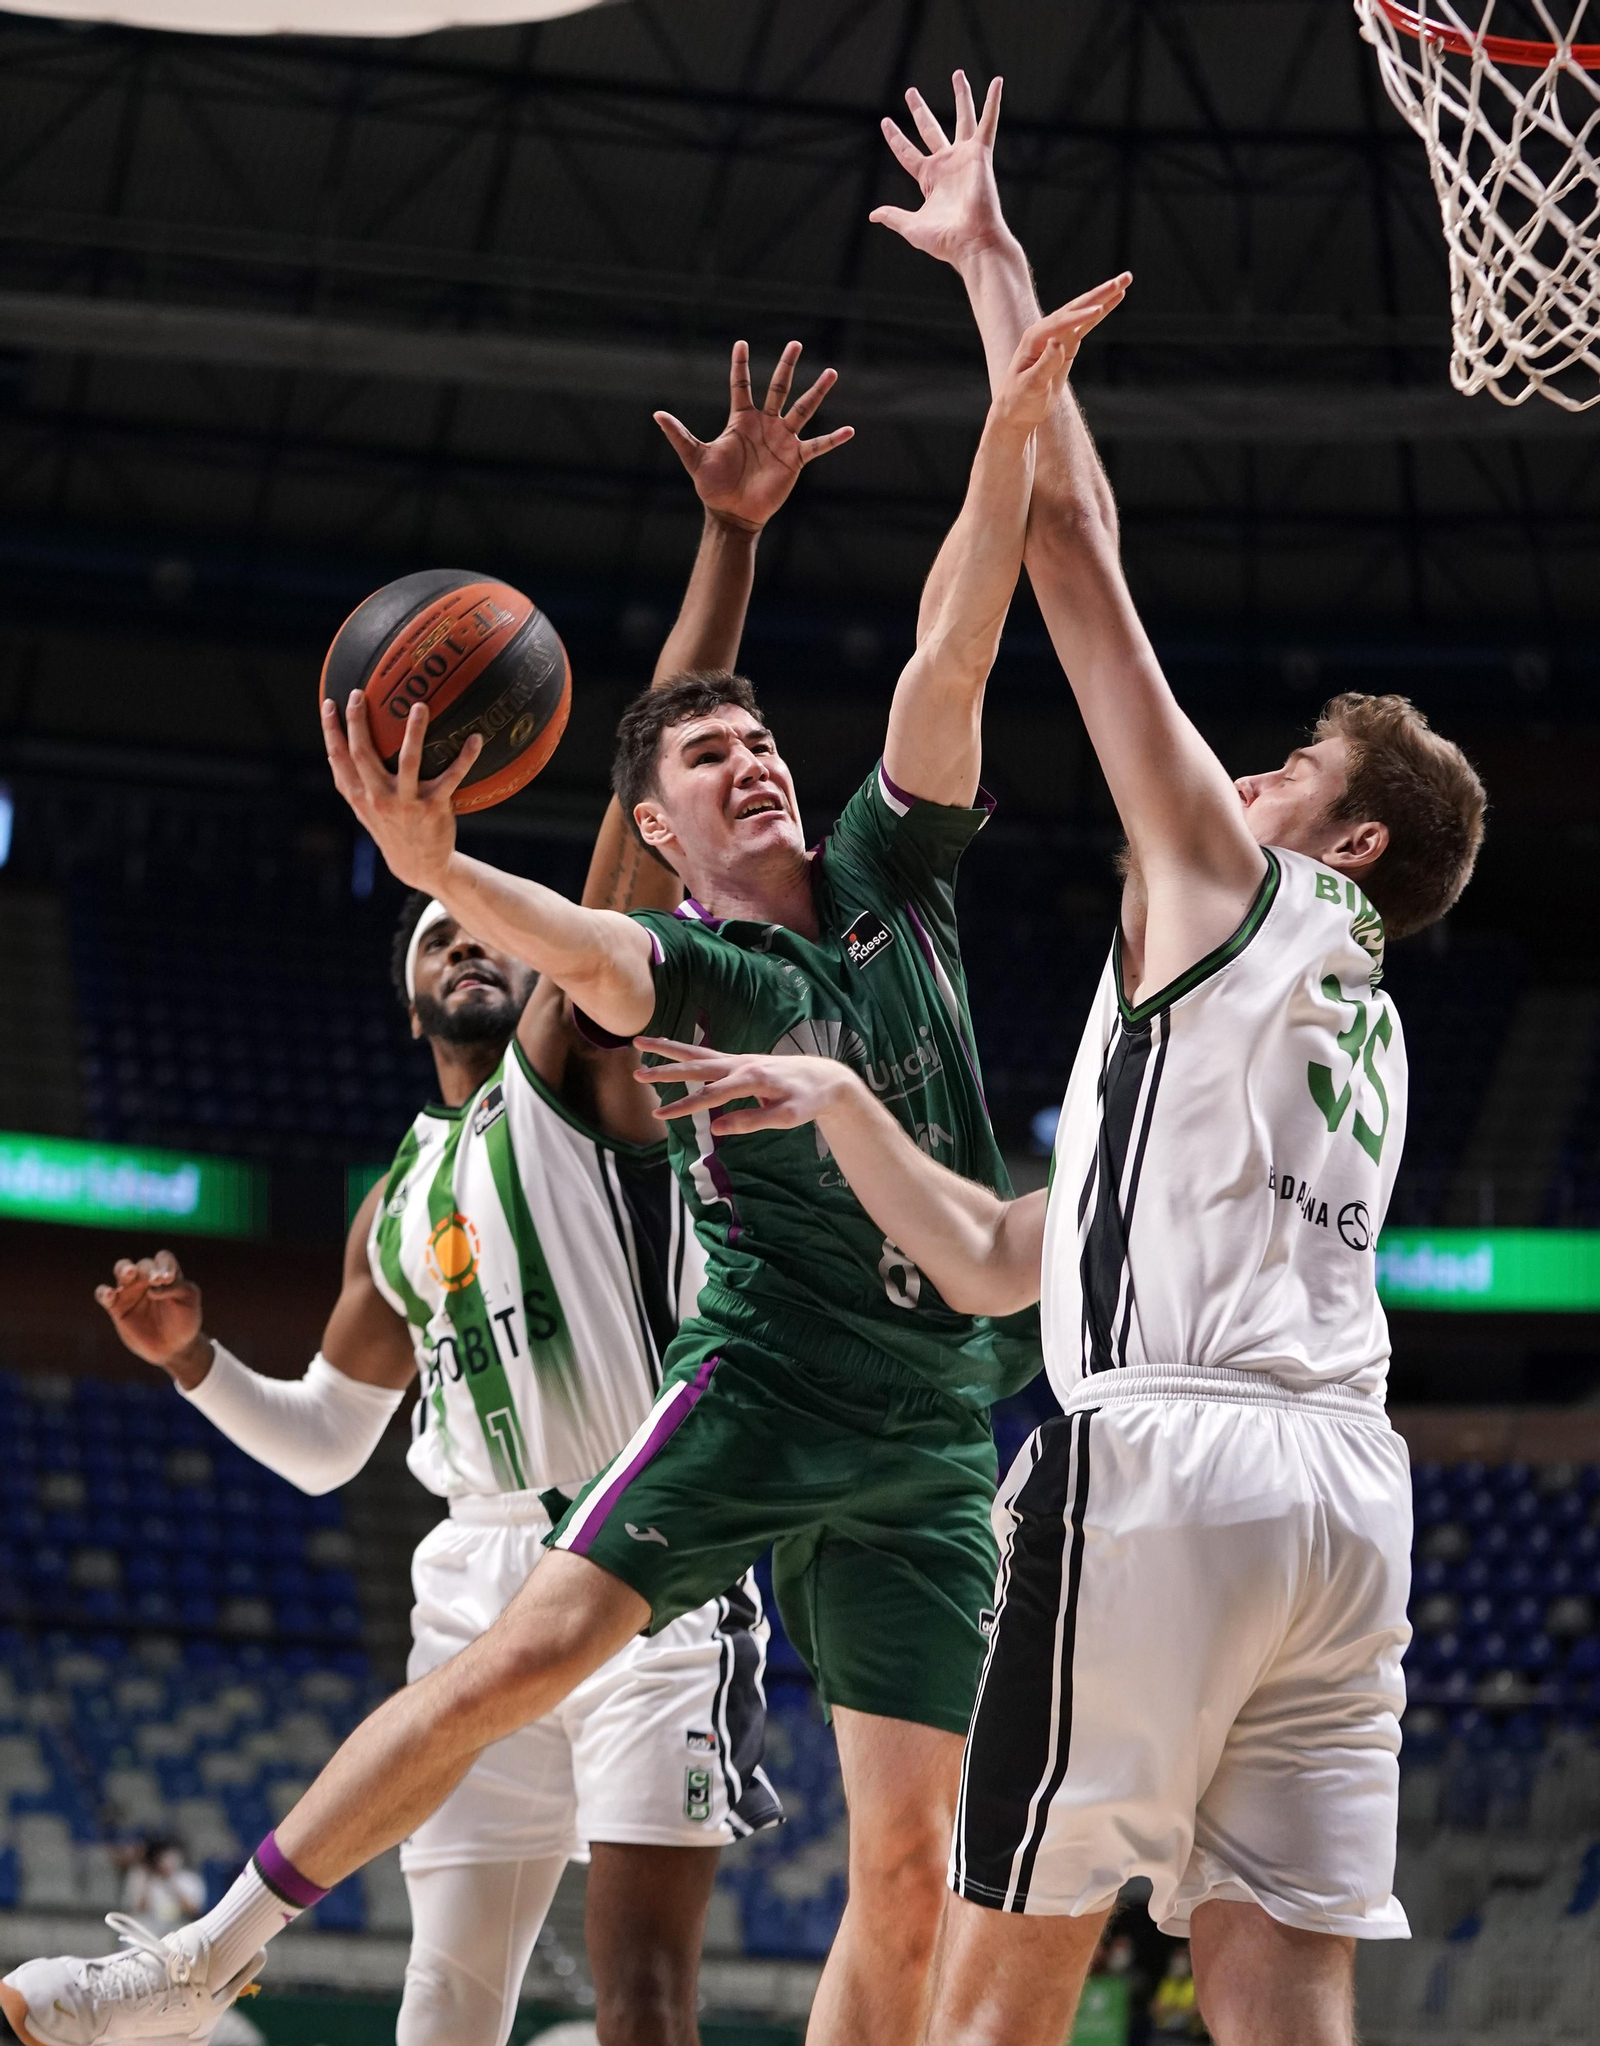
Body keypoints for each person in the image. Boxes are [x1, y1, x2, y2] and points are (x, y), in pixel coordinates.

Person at [0, 282, 1128, 2046]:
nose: (751, 754)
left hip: (919, 1421)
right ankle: (196, 1956)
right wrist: (439, 864)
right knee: (483, 1820)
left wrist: (1007, 392)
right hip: (733, 1410)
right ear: (662, 839)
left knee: (907, 1874)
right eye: (709, 755)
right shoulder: (640, 997)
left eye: (763, 740)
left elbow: (956, 635)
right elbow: (580, 943)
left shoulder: (886, 872)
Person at [612, 72, 1489, 2046]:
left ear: (1339, 841)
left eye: (1283, 776)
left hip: (1164, 1466)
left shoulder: (1233, 901)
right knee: (1277, 1979)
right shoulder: (1347, 1014)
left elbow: (1072, 560)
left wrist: (996, 274)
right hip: (1346, 1503)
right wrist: (841, 1105)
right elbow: (1011, 1261)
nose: (1232, 778)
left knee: (1013, 1952)